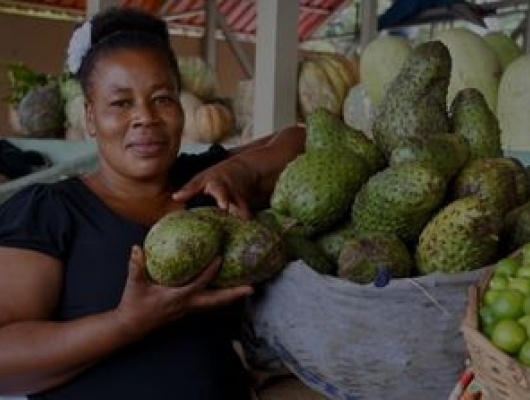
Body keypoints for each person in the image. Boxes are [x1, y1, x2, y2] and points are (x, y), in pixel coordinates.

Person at [0, 6, 305, 399]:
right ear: (91, 118)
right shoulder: (50, 211)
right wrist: (127, 323)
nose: (145, 117)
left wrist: (240, 171)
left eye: (162, 98)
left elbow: (303, 141)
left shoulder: (205, 186)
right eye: (121, 103)